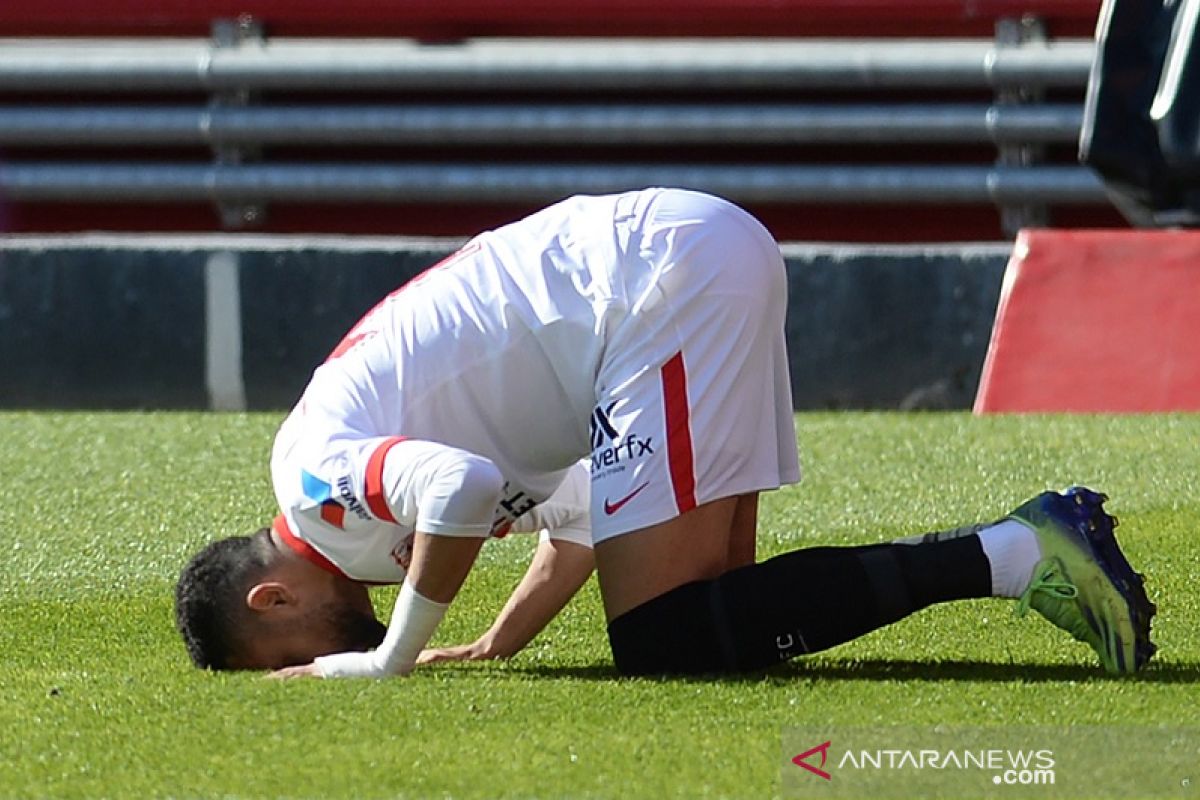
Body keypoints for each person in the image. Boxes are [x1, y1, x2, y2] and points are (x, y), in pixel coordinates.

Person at [174, 188, 1156, 678]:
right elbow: (581, 516)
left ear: (272, 597)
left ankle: (1023, 550)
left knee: (665, 636)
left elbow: (466, 488)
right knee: (709, 620)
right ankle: (1020, 554)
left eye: (290, 657)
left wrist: (389, 657)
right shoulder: (352, 513)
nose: (315, 665)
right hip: (668, 270)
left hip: (650, 287)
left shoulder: (318, 482)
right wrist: (495, 641)